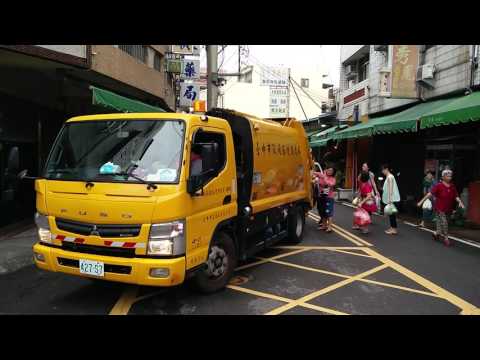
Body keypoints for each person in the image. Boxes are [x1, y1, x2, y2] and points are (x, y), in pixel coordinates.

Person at [417, 169, 465, 246]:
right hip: (440, 208)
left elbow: (456, 196)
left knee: (441, 224)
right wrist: (421, 202)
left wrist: (460, 202)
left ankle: (436, 233)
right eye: (447, 176)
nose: (449, 177)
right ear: (443, 177)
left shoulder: (452, 186)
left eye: (450, 176)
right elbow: (430, 194)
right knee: (444, 223)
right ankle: (446, 238)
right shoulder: (438, 185)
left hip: (448, 209)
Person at [313, 166, 336, 233]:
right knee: (322, 211)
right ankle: (324, 225)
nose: (329, 171)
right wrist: (315, 175)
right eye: (328, 170)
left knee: (328, 212)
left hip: (329, 198)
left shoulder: (333, 179)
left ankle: (329, 227)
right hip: (321, 197)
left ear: (333, 172)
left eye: (331, 171)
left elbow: (330, 184)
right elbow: (315, 173)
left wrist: (324, 177)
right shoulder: (322, 175)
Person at [381, 164, 401, 235]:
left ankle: (394, 229)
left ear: (386, 169)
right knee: (391, 214)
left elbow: (390, 189)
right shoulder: (389, 176)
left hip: (392, 199)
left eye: (383, 170)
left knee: (392, 214)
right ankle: (392, 227)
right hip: (392, 198)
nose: (382, 171)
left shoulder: (390, 177)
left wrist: (390, 199)